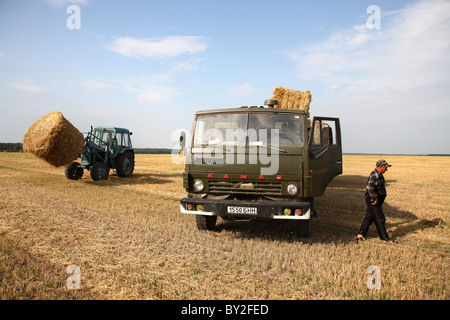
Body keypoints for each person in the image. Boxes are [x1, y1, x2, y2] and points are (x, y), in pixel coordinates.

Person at [356, 159, 396, 244]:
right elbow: (370, 187)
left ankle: (361, 234)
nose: (386, 169)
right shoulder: (375, 174)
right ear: (381, 167)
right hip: (373, 199)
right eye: (386, 167)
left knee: (369, 217)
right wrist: (375, 198)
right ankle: (385, 238)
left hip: (375, 199)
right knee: (380, 218)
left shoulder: (379, 174)